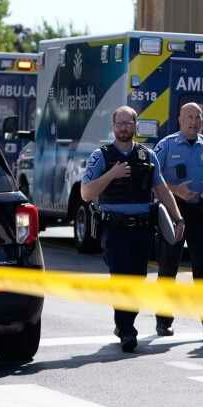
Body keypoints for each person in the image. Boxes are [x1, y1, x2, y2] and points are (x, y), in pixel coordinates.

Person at [80, 106, 184, 352]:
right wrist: (112, 174)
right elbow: (86, 193)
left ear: (136, 126)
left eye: (129, 123)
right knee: (120, 279)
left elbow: (161, 189)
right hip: (114, 229)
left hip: (142, 229)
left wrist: (178, 218)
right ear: (113, 126)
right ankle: (127, 330)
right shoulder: (101, 156)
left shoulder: (148, 156)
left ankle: (124, 323)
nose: (124, 127)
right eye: (120, 123)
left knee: (137, 280)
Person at [153, 102, 203, 337]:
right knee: (168, 268)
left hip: (201, 212)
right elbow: (152, 180)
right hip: (174, 211)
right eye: (189, 117)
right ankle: (163, 321)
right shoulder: (166, 145)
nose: (194, 122)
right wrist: (176, 190)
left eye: (198, 117)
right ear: (179, 119)